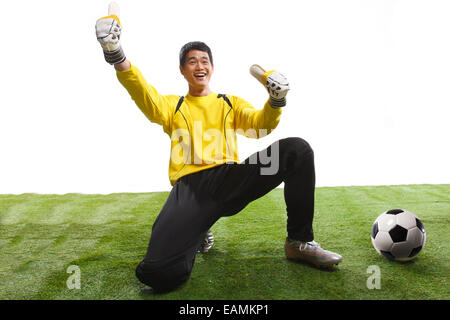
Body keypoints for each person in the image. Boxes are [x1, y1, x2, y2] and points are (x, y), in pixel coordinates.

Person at [95, 5, 342, 293]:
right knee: (159, 274)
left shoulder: (229, 103)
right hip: (191, 189)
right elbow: (141, 89)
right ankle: (197, 229)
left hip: (232, 179)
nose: (199, 66)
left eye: (204, 60)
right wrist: (116, 54)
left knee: (297, 151)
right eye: (191, 62)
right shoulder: (172, 106)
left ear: (212, 67)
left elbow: (259, 126)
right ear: (182, 70)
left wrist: (275, 101)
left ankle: (299, 242)